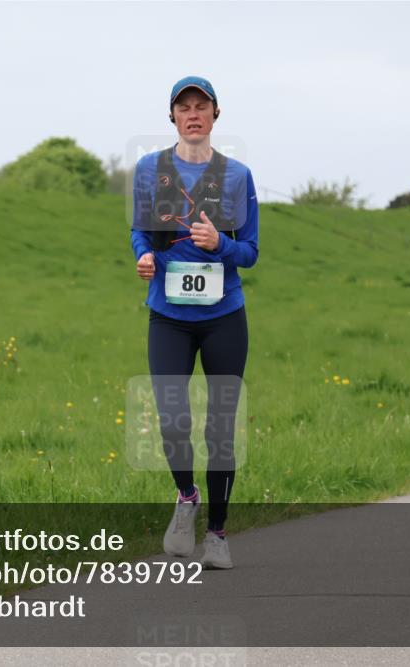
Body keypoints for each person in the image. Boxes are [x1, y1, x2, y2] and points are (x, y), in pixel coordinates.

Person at [130, 76, 259, 569]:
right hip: (168, 317)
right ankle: (187, 498)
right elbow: (140, 232)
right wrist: (144, 258)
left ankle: (219, 536)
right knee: (172, 419)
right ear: (172, 117)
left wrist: (218, 246)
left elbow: (249, 252)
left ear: (215, 114)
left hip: (224, 316)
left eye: (200, 105)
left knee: (221, 429)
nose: (192, 113)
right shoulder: (150, 170)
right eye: (183, 106)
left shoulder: (237, 176)